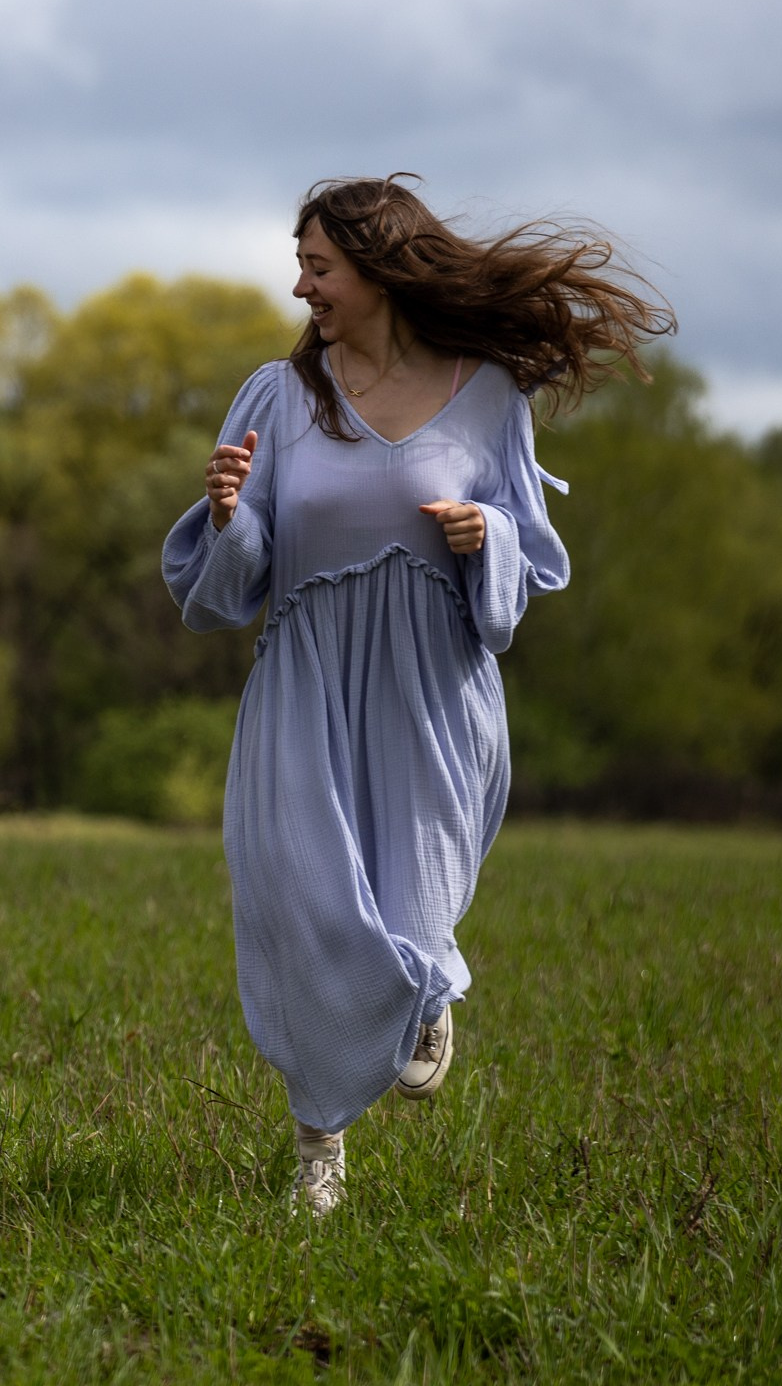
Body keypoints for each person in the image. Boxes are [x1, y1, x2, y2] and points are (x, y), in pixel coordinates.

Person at [162, 175, 672, 1215]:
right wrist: (226, 516)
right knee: (307, 907)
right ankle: (319, 1153)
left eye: (318, 266)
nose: (300, 285)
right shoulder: (278, 397)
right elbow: (234, 586)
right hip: (306, 688)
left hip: (434, 692)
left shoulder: (487, 396)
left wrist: (488, 545)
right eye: (301, 264)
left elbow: (529, 569)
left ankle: (425, 982)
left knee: (412, 905)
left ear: (379, 270)